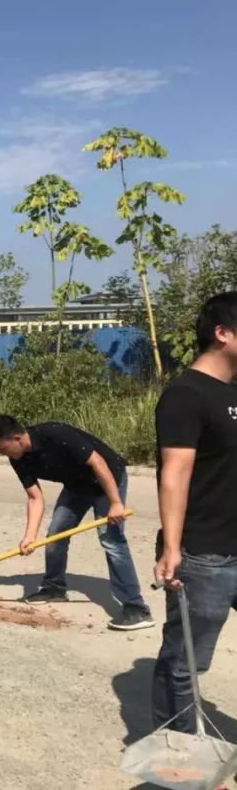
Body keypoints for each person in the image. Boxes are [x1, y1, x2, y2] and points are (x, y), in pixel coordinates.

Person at [153, 292, 237, 732]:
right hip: (205, 554)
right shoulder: (186, 394)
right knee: (185, 662)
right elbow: (175, 473)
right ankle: (180, 752)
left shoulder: (232, 392)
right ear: (222, 333)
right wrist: (172, 548)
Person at [0, 414, 153, 631]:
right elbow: (35, 498)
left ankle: (136, 608)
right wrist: (29, 537)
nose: (3, 454)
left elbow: (98, 463)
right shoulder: (18, 459)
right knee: (55, 535)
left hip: (107, 479)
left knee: (111, 541)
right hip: (77, 486)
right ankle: (54, 588)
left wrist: (115, 503)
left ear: (17, 438)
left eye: (3, 449)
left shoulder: (55, 434)